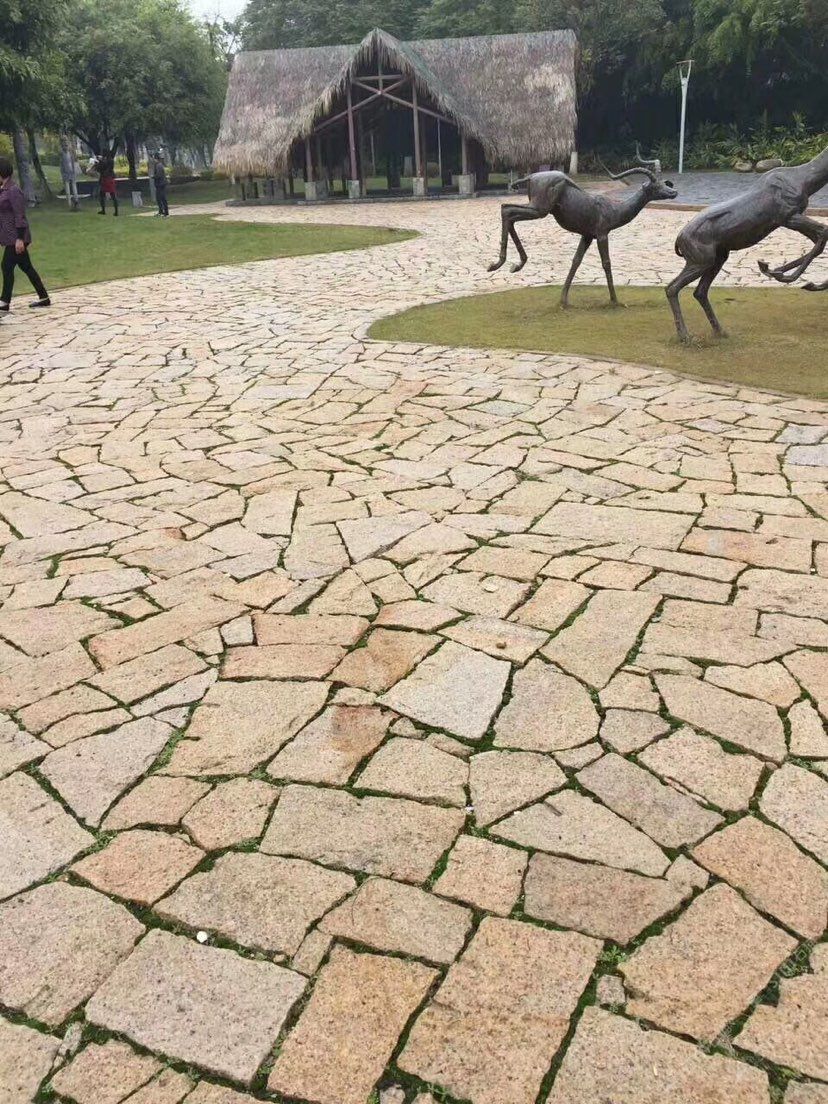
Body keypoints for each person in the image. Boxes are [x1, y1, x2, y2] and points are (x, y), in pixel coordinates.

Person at [0, 156, 50, 312]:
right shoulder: (3, 189)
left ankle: (4, 302)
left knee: (6, 265)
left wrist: (20, 239)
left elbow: (19, 215)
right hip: (9, 236)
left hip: (17, 237)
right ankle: (44, 297)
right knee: (26, 266)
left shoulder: (14, 190)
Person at [96, 148, 118, 215]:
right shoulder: (111, 160)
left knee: (102, 195)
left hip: (105, 179)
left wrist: (98, 162)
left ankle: (103, 210)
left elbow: (99, 169)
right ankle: (116, 211)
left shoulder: (103, 161)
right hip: (111, 178)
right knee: (113, 195)